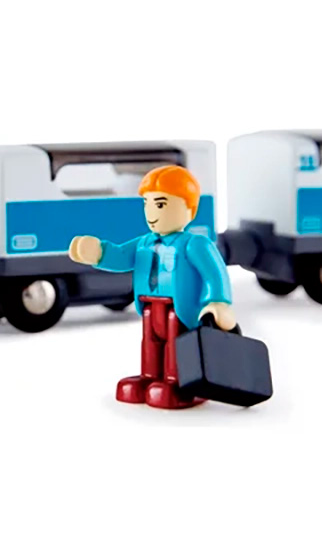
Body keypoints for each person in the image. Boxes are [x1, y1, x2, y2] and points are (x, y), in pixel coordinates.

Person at [69, 164, 234, 409]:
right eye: (146, 204)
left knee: (176, 345)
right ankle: (149, 377)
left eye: (160, 204)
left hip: (180, 310)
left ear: (189, 209)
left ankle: (178, 381)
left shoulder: (195, 244)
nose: (151, 212)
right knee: (151, 342)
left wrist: (218, 301)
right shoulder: (144, 243)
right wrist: (99, 253)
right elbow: (120, 256)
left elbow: (215, 274)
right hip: (149, 307)